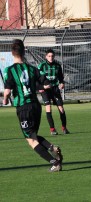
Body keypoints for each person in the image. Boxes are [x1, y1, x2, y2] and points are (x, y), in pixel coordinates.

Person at [2, 39, 63, 172]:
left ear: (12, 53)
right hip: (36, 106)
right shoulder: (33, 69)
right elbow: (46, 83)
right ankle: (53, 148)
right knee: (33, 134)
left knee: (30, 139)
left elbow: (7, 91)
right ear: (24, 52)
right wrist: (40, 87)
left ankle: (54, 162)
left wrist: (5, 100)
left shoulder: (10, 70)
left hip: (23, 108)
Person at [38, 49, 69, 135]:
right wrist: (41, 87)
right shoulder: (41, 66)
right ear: (46, 57)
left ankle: (64, 128)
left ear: (54, 56)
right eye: (49, 56)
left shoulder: (58, 66)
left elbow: (60, 77)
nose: (51, 58)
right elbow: (38, 78)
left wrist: (62, 83)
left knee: (61, 109)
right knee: (48, 108)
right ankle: (52, 129)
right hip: (45, 90)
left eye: (52, 56)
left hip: (55, 89)